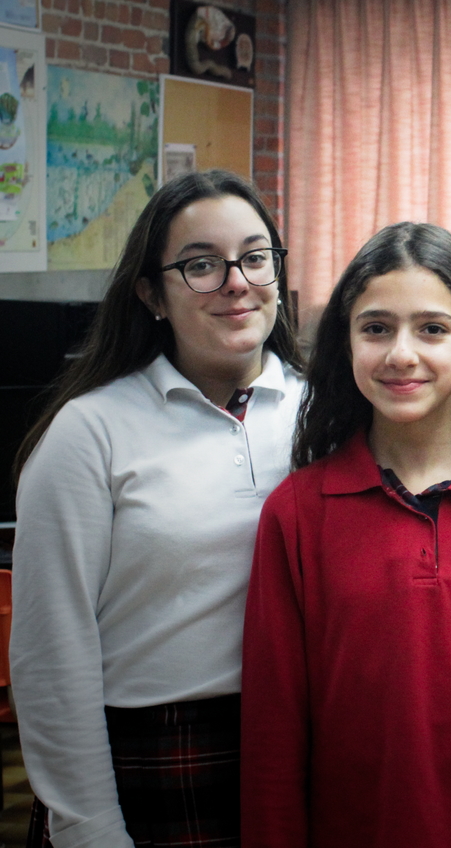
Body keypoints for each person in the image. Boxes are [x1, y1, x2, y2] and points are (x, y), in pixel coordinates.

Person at [240, 222, 451, 848]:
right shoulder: (297, 514)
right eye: (376, 328)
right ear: (346, 343)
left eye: (432, 328)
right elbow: (274, 732)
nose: (402, 354)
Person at [11, 170, 304, 848]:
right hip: (147, 760)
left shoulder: (327, 415)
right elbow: (51, 654)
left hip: (294, 744)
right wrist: (86, 825)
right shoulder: (89, 432)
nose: (236, 282)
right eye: (201, 265)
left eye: (255, 257)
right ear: (151, 294)